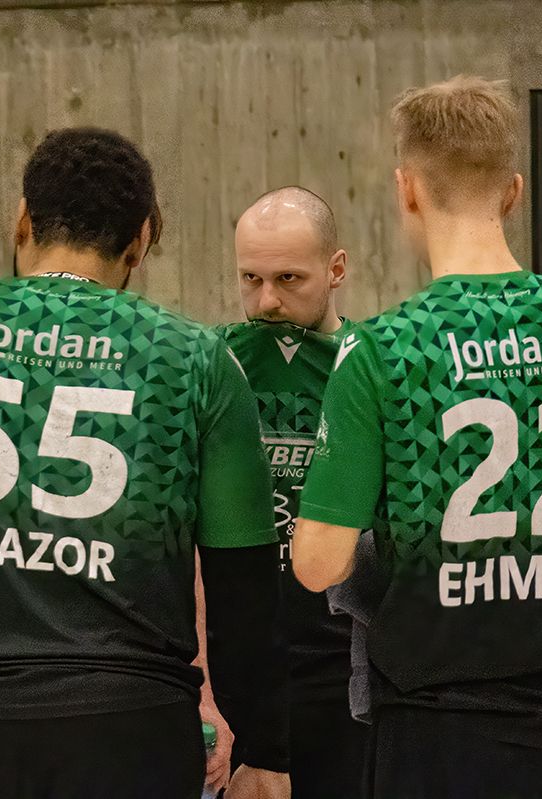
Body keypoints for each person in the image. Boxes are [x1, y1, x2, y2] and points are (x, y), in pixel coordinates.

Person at [0, 126, 289, 799]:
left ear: (23, 220)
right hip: (126, 732)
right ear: (141, 240)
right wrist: (266, 747)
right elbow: (244, 585)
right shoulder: (194, 360)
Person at [296, 75, 542, 798]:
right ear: (514, 192)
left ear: (406, 189)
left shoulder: (382, 352)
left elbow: (318, 563)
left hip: (437, 734)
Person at [210, 186, 366, 798]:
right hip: (242, 663)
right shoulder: (212, 360)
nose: (267, 300)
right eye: (250, 278)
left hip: (346, 660)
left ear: (336, 269)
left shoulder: (373, 365)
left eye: (288, 279)